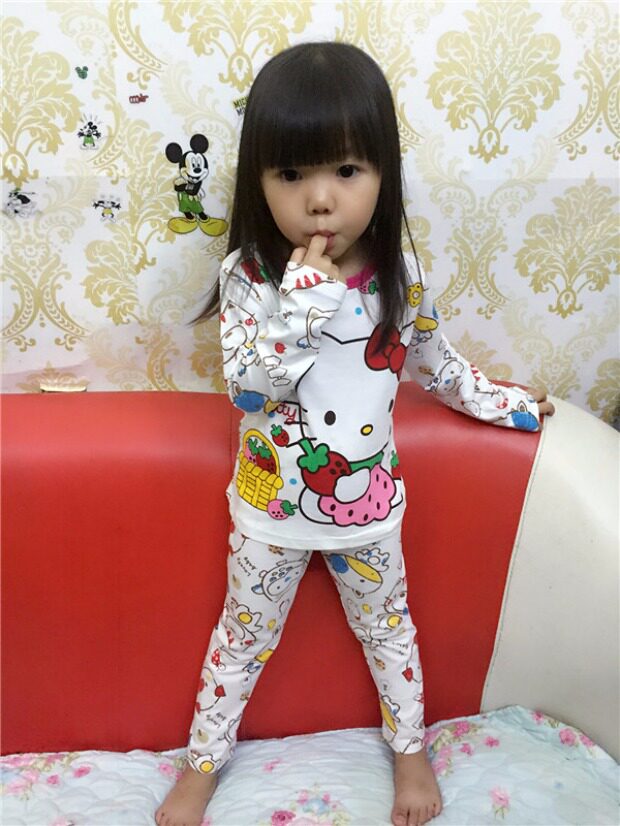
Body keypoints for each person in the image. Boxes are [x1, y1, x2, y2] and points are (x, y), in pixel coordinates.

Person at [155, 41, 555, 826]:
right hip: (270, 513)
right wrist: (303, 307)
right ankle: (201, 766)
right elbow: (250, 389)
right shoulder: (249, 277)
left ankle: (409, 752)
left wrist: (505, 404)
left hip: (369, 514)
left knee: (389, 634)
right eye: (290, 174)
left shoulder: (398, 277)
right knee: (239, 643)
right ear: (258, 181)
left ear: (383, 172)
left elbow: (437, 364)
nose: (320, 201)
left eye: (345, 170)